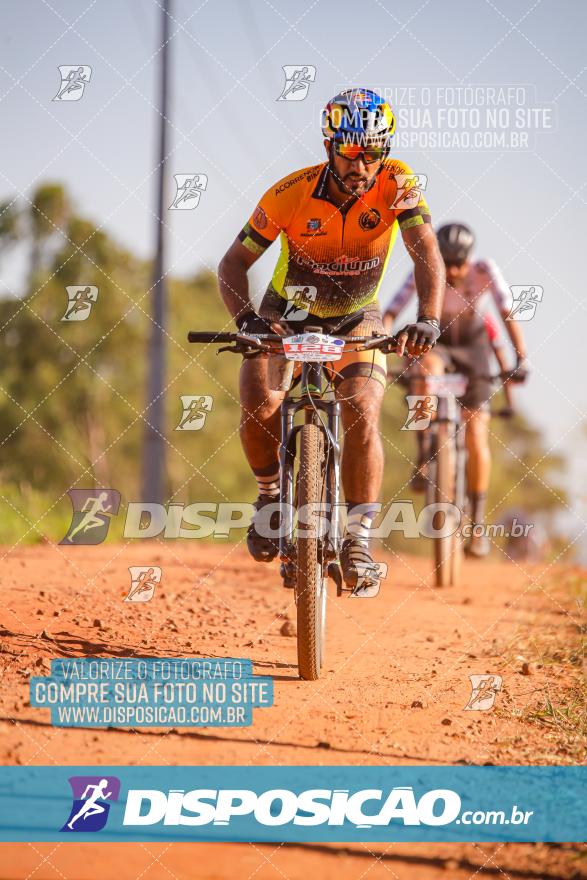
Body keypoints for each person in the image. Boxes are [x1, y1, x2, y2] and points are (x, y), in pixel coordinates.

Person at [217, 89, 445, 587]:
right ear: (328, 145)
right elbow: (233, 263)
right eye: (350, 151)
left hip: (356, 316)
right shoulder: (290, 192)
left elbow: (425, 249)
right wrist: (248, 321)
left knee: (362, 408)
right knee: (259, 402)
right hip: (287, 312)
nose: (361, 164)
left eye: (373, 152)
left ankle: (358, 540)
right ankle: (269, 495)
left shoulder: (398, 181)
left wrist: (428, 317)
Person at [383, 222, 529, 558]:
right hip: (438, 342)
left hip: (474, 347)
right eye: (445, 263)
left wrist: (521, 358)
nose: (452, 271)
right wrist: (383, 345)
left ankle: (476, 523)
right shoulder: (425, 267)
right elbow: (392, 310)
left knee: (477, 435)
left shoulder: (484, 270)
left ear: (469, 258)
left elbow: (507, 313)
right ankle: (424, 454)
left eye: (458, 263)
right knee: (424, 372)